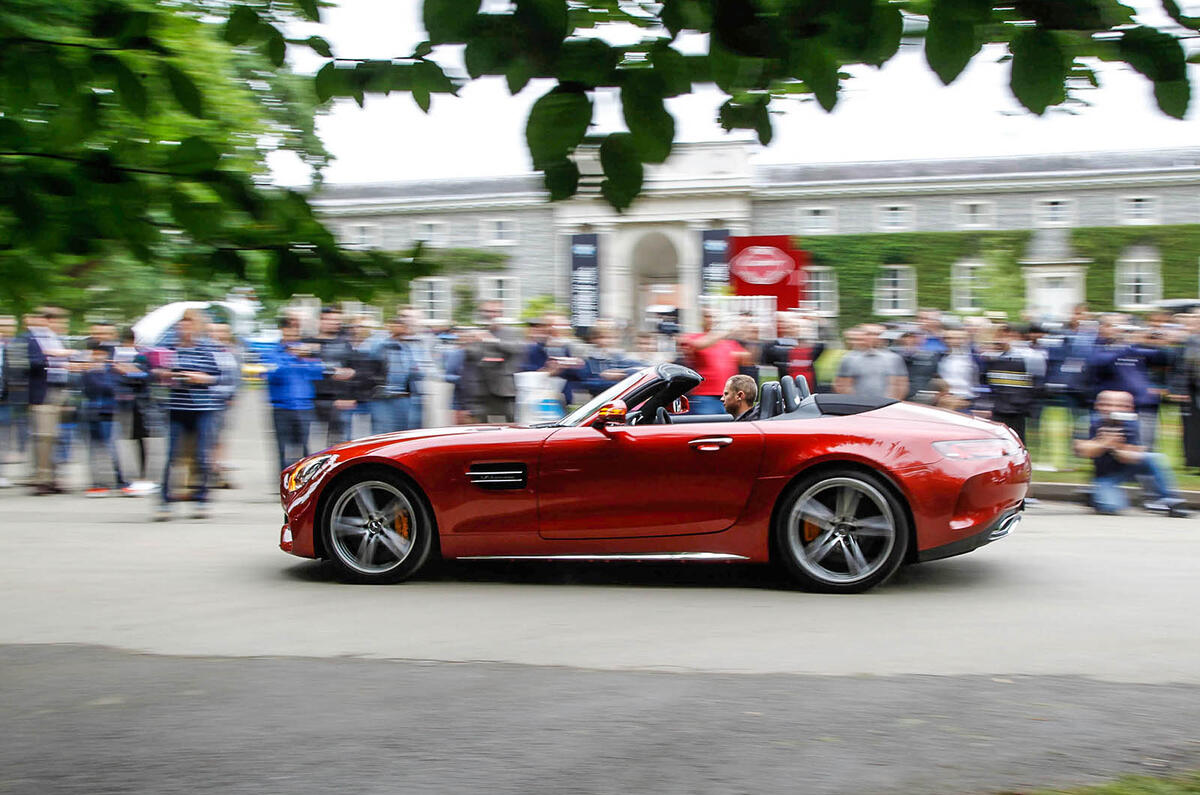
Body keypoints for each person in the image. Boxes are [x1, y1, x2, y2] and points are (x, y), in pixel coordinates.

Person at [153, 309, 224, 521]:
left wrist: (197, 377)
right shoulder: (170, 348)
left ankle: (201, 498)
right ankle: (165, 501)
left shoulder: (206, 349)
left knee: (202, 455)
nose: (185, 328)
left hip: (202, 409)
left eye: (189, 324)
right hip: (177, 407)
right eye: (182, 324)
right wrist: (168, 375)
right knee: (171, 456)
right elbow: (157, 373)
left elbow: (215, 377)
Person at [1074, 390, 1188, 517]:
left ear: (1129, 408)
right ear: (1098, 406)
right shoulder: (1088, 421)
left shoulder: (1133, 423)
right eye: (1107, 404)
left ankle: (1169, 499)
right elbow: (1082, 450)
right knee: (1111, 507)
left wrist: (1117, 447)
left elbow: (1136, 453)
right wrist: (1104, 443)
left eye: (1120, 405)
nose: (1112, 409)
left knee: (1154, 458)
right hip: (1106, 473)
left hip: (1131, 468)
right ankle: (1095, 494)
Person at [264, 315, 326, 474]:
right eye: (289, 333)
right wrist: (292, 359)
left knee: (305, 449)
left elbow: (318, 372)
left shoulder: (306, 353)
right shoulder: (272, 353)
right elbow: (272, 374)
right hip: (281, 407)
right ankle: (284, 484)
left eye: (295, 333)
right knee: (283, 448)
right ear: (282, 331)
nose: (292, 337)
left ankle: (305, 484)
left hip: (304, 407)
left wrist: (304, 357)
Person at [27, 308, 71, 495]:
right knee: (44, 437)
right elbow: (33, 363)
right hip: (43, 393)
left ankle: (53, 477)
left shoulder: (57, 339)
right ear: (48, 321)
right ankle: (42, 479)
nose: (62, 326)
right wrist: (52, 354)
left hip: (59, 391)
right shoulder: (32, 339)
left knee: (55, 437)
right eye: (59, 321)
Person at [678, 309, 749, 415]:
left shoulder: (730, 343)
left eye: (714, 316)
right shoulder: (693, 337)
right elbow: (699, 345)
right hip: (704, 397)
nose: (712, 319)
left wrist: (748, 330)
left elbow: (747, 360)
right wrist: (726, 331)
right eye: (708, 316)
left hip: (728, 397)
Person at [81, 340, 128, 497]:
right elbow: (88, 388)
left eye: (100, 354)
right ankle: (97, 482)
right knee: (93, 450)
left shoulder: (112, 371)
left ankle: (120, 479)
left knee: (112, 449)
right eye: (95, 354)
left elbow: (112, 387)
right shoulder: (88, 371)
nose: (97, 357)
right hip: (92, 413)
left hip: (108, 414)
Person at [306, 307, 356, 446]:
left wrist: (349, 396)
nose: (334, 323)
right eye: (329, 319)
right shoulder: (308, 343)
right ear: (320, 321)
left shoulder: (345, 345)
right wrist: (334, 371)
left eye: (336, 320)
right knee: (310, 444)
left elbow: (354, 372)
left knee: (339, 444)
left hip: (338, 401)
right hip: (311, 400)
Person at [834, 324, 907, 402]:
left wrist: (891, 403)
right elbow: (842, 385)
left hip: (886, 407)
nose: (874, 337)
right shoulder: (850, 358)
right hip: (860, 407)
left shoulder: (893, 358)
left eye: (878, 334)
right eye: (869, 334)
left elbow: (900, 384)